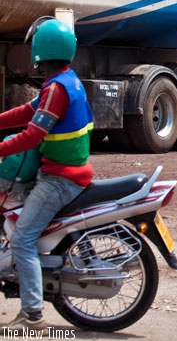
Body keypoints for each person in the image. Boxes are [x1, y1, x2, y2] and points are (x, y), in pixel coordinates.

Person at [0, 17, 94, 333]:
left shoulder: (57, 88)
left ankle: (33, 315)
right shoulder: (66, 81)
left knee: (23, 240)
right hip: (66, 173)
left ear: (41, 50)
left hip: (59, 179)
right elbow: (28, 111)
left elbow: (32, 134)